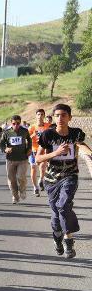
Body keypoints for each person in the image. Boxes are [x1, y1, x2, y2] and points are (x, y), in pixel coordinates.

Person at [36, 104, 90, 259]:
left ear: (70, 118)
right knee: (55, 214)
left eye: (64, 115)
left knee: (63, 205)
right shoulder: (47, 135)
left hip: (70, 176)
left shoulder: (76, 133)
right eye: (57, 115)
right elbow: (38, 158)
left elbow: (82, 145)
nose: (60, 118)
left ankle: (68, 239)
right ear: (54, 117)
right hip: (51, 179)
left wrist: (90, 154)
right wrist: (56, 152)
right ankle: (57, 238)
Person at [0, 115, 31, 204]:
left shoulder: (24, 131)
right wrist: (5, 149)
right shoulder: (6, 132)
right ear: (11, 123)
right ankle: (15, 196)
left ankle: (23, 190)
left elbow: (29, 140)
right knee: (12, 180)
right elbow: (1, 144)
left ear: (20, 123)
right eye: (14, 123)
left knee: (21, 177)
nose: (16, 125)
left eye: (18, 123)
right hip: (10, 159)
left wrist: (29, 149)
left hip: (22, 159)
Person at [28, 109, 48, 196]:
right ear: (36, 116)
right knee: (33, 168)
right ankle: (35, 187)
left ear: (44, 116)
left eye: (42, 114)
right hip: (34, 150)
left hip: (44, 150)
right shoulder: (32, 127)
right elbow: (26, 139)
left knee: (43, 166)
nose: (40, 116)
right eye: (38, 114)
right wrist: (32, 136)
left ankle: (41, 179)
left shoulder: (48, 126)